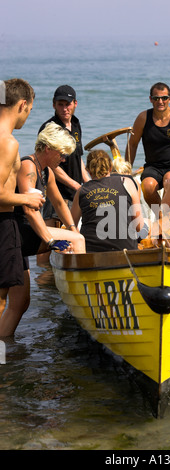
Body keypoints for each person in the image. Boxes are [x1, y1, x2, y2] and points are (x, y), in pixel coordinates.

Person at [0, 123, 86, 337]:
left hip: (24, 239)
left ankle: (4, 344)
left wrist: (72, 227)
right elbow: (30, 211)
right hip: (19, 233)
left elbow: (58, 202)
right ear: (48, 148)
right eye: (62, 153)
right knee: (78, 241)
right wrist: (50, 241)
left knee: (20, 303)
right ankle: (83, 305)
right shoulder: (28, 166)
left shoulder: (47, 170)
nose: (64, 159)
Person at [0, 78, 45, 333]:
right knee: (1, 297)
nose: (27, 117)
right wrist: (27, 198)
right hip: (3, 222)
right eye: (29, 111)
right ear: (22, 104)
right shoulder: (8, 142)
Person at [125, 82, 170, 212]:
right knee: (147, 186)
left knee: (169, 179)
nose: (160, 101)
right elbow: (132, 145)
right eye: (156, 98)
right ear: (150, 99)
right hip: (153, 166)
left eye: (164, 98)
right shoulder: (143, 118)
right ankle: (162, 218)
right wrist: (126, 170)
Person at [71, 150, 146, 252]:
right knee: (148, 226)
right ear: (111, 168)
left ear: (88, 170)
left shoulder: (82, 191)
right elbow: (138, 226)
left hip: (91, 254)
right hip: (126, 251)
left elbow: (71, 226)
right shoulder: (127, 182)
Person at [38, 84, 90, 226]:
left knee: (71, 235)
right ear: (54, 105)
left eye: (68, 104)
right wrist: (74, 184)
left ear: (75, 104)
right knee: (54, 233)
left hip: (75, 193)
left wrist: (88, 183)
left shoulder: (76, 124)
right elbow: (49, 164)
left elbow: (78, 157)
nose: (64, 109)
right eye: (60, 104)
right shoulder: (49, 128)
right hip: (56, 192)